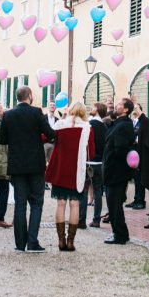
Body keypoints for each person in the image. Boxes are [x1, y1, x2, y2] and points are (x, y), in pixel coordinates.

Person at [0, 85, 56, 253]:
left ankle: (20, 244)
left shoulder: (8, 115)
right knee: (37, 202)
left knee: (20, 204)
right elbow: (50, 133)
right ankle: (32, 242)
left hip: (17, 164)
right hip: (35, 163)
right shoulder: (36, 112)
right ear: (29, 96)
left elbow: (2, 140)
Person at [45, 101, 95, 251]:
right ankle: (71, 241)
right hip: (76, 171)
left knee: (60, 204)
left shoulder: (60, 125)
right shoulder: (87, 128)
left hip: (61, 169)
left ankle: (61, 241)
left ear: (71, 111)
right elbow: (90, 153)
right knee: (75, 204)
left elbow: (45, 137)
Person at [102, 97, 136, 245]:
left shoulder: (124, 125)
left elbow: (120, 149)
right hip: (114, 170)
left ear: (126, 109)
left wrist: (113, 160)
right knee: (114, 204)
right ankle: (121, 233)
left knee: (114, 204)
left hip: (116, 171)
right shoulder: (119, 123)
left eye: (120, 105)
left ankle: (120, 235)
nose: (117, 106)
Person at [78, 101, 107, 229]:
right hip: (100, 162)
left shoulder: (90, 124)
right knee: (98, 192)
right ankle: (96, 220)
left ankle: (82, 220)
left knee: (84, 191)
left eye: (93, 107)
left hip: (88, 161)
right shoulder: (105, 127)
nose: (91, 108)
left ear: (98, 110)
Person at [125, 102, 146, 211]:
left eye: (136, 107)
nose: (134, 109)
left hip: (139, 152)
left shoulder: (142, 122)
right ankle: (136, 198)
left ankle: (141, 200)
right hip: (133, 153)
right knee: (135, 177)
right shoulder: (133, 122)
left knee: (139, 178)